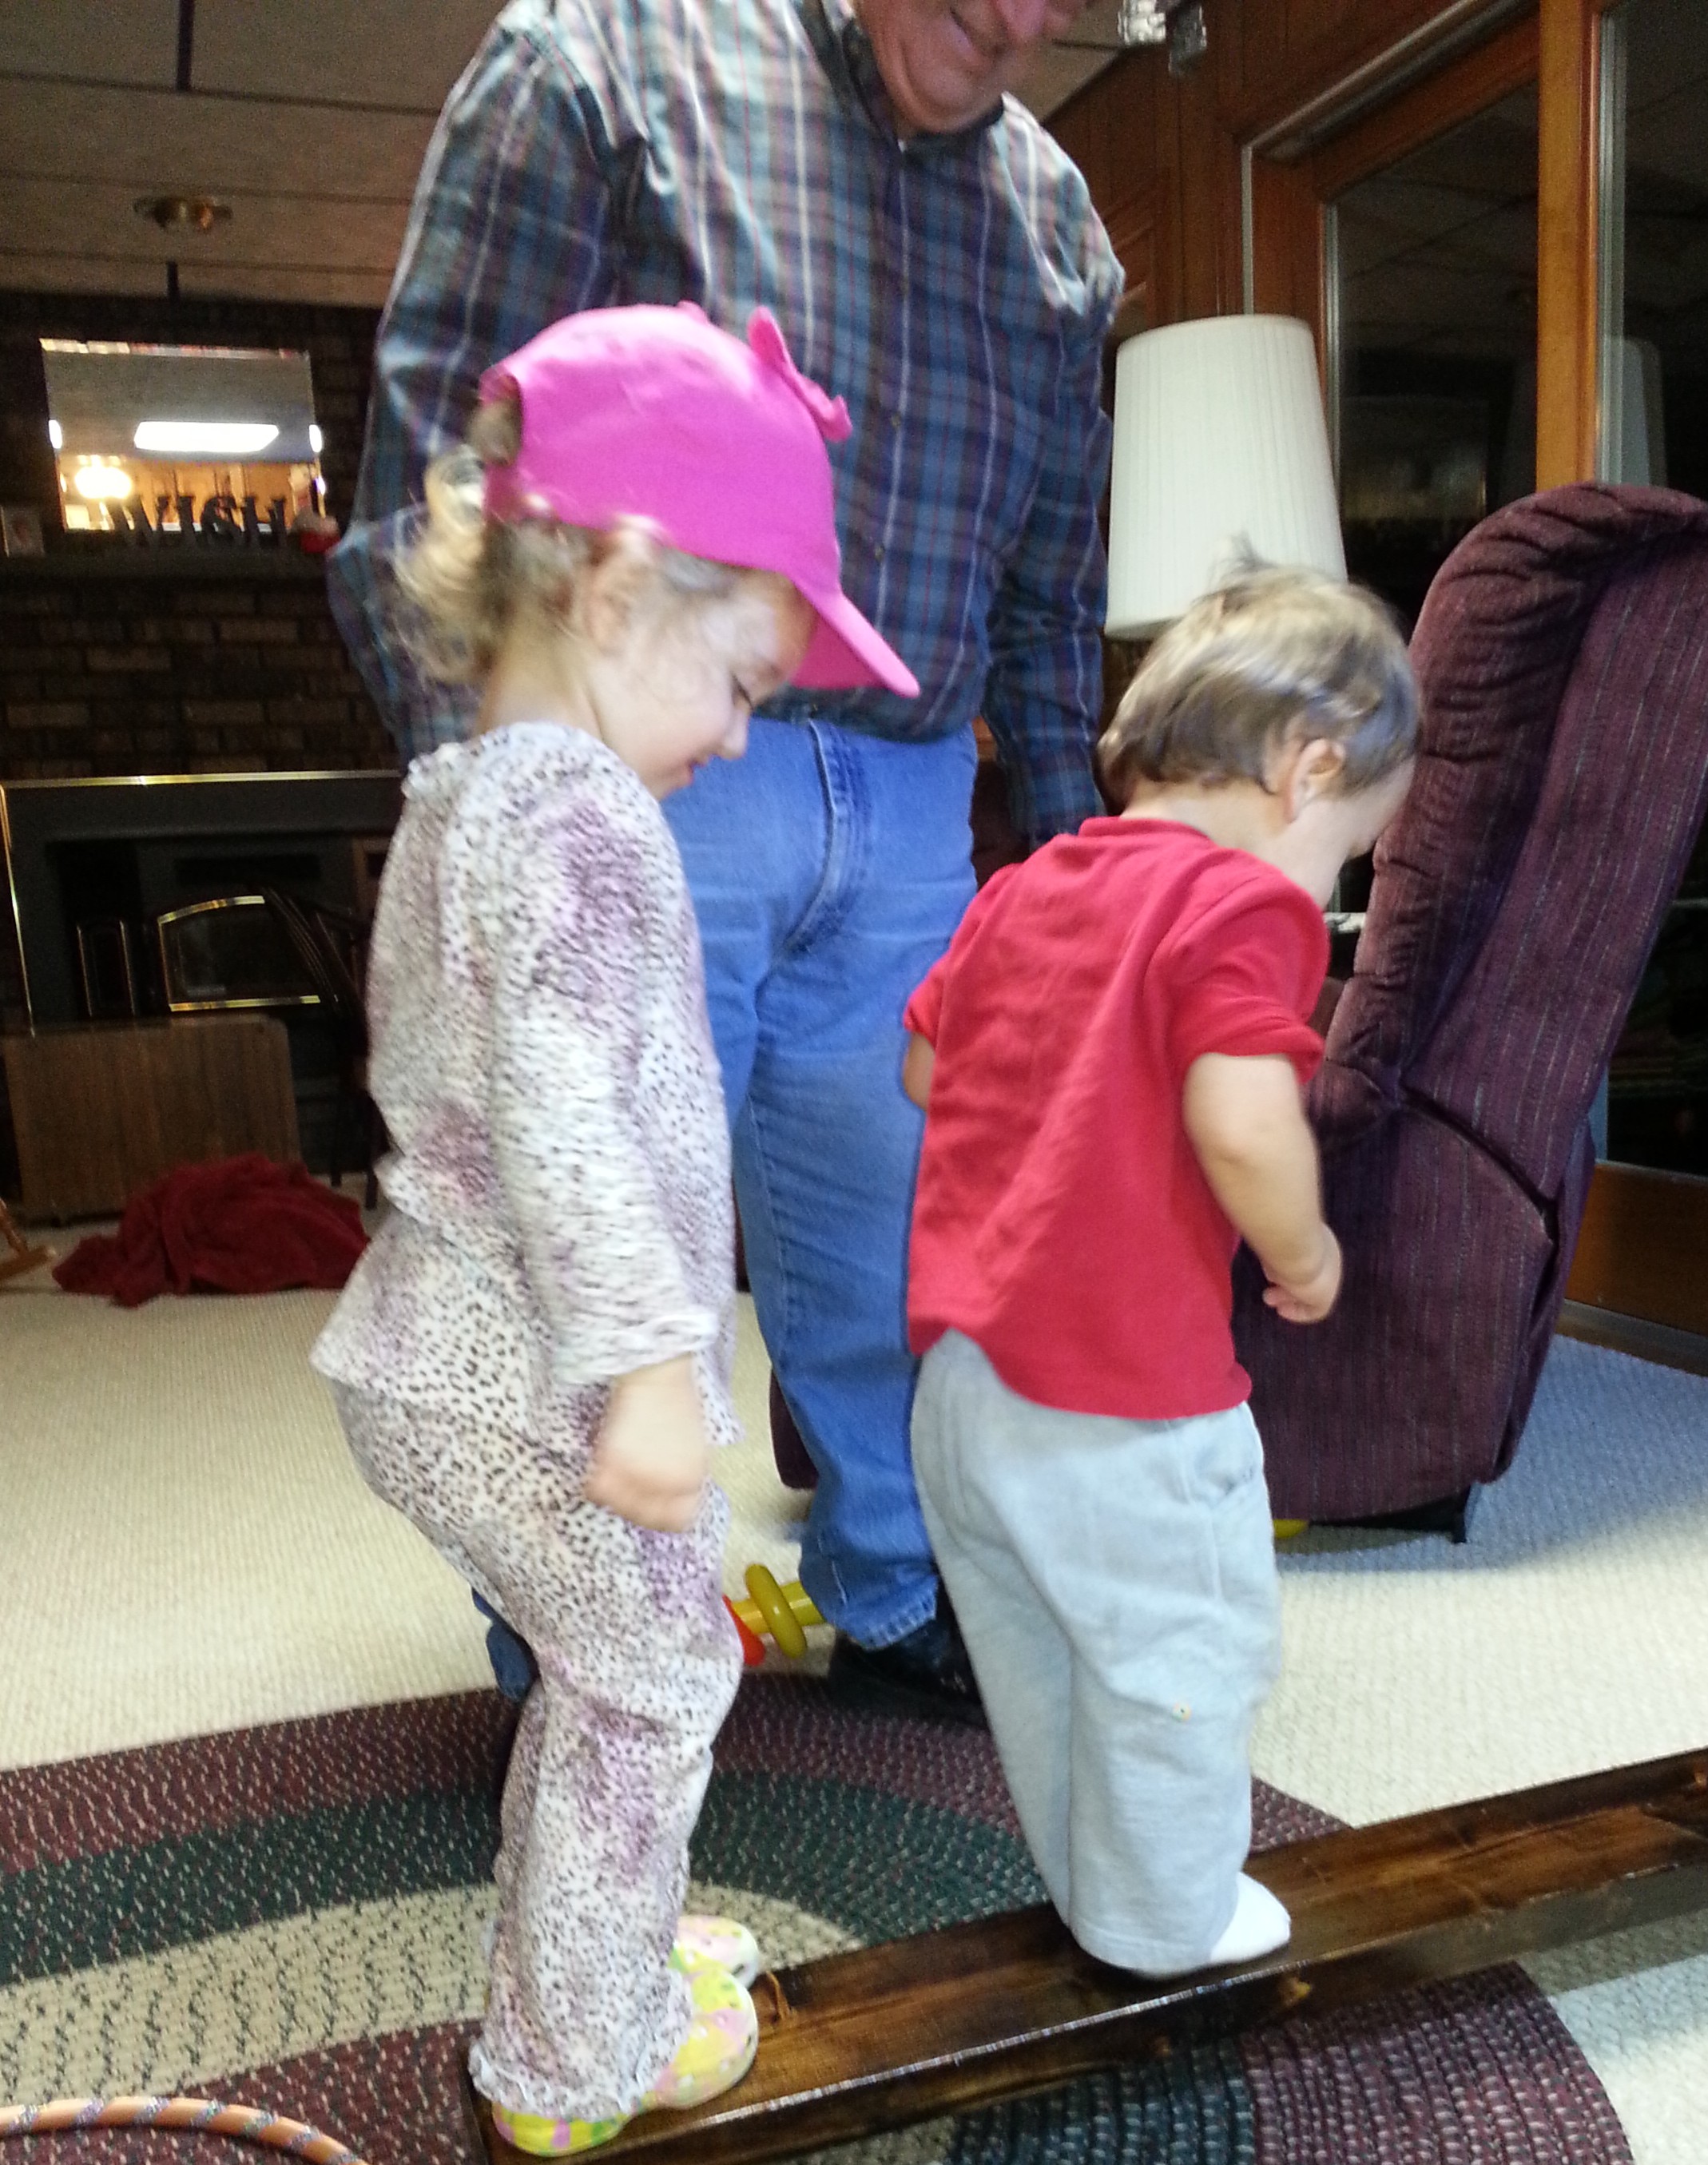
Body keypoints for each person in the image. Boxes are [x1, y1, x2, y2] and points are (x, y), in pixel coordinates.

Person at [328, 0, 1119, 1722]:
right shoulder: (595, 66)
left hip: (920, 787)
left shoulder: (1061, 227)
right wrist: (496, 795)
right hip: (634, 755)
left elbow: (1056, 587)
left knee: (893, 1243)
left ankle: (897, 1586)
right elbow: (432, 458)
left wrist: (1084, 877)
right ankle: (576, 1638)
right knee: (603, 1214)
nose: (1020, 20)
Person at [312, 303, 919, 2155]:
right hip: (527, 1376)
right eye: (739, 681)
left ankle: (590, 1965)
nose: (740, 736)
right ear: (620, 587)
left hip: (438, 1351)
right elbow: (565, 1108)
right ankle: (583, 2057)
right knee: (656, 1681)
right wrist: (649, 1373)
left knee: (611, 1675)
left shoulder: (460, 796)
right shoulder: (577, 813)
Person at [902, 567, 1420, 1976]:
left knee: (1045, 1661)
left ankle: (1100, 1890)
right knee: (1180, 1662)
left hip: (963, 1391)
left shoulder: (1027, 885)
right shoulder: (1243, 907)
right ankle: (1167, 1925)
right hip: (1126, 1410)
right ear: (1310, 772)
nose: (1329, 886)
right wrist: (1305, 1249)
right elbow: (1243, 1122)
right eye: (1347, 853)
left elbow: (928, 1069)